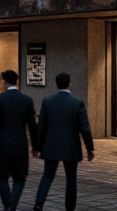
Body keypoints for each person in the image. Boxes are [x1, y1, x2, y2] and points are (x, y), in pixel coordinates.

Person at [31, 72, 94, 211]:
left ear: (56, 84)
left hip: (51, 145)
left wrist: (37, 147)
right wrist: (89, 148)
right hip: (71, 146)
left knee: (47, 176)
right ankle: (70, 208)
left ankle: (38, 204)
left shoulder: (47, 101)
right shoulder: (77, 103)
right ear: (69, 84)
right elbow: (85, 128)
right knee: (71, 179)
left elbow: (40, 127)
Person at [0, 69, 39, 211]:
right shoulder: (27, 100)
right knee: (20, 178)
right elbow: (32, 126)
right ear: (17, 81)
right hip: (21, 145)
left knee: (2, 177)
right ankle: (12, 204)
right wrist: (36, 147)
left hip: (4, 145)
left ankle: (9, 205)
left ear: (4, 82)